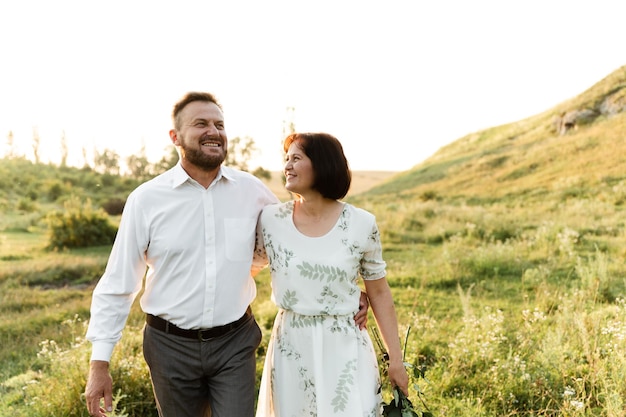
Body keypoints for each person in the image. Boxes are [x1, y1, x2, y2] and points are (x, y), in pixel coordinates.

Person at [84, 92, 368, 417]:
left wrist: (344, 290)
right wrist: (99, 363)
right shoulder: (147, 199)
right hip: (169, 347)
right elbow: (119, 283)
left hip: (234, 342)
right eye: (201, 123)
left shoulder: (252, 191)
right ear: (175, 137)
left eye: (219, 124)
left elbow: (294, 244)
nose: (213, 131)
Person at [255, 132, 409, 416]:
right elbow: (249, 268)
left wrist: (396, 361)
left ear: (322, 164)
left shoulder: (362, 224)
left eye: (296, 159)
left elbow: (379, 291)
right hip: (292, 346)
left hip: (345, 344)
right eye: (286, 159)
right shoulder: (270, 221)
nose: (286, 166)